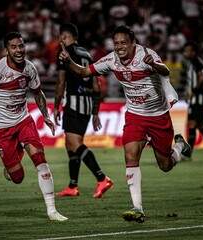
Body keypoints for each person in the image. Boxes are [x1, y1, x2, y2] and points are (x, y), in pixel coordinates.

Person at [59, 25, 191, 223]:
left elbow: (165, 71)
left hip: (158, 115)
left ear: (133, 43)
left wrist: (154, 65)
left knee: (165, 165)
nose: (119, 47)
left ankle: (180, 147)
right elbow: (85, 72)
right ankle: (137, 208)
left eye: (123, 43)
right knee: (130, 154)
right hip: (135, 116)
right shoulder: (111, 59)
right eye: (116, 43)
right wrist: (69, 62)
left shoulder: (146, 54)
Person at [0, 32, 67, 222]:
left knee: (40, 159)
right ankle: (13, 159)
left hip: (23, 120)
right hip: (2, 127)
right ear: (7, 49)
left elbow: (38, 93)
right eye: (14, 47)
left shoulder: (30, 68)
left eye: (21, 46)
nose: (19, 50)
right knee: (17, 177)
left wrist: (46, 116)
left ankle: (52, 210)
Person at [54, 23, 113, 198]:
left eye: (61, 37)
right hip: (87, 104)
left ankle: (102, 178)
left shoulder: (66, 54)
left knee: (74, 143)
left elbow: (61, 82)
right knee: (70, 144)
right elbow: (97, 85)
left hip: (74, 102)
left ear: (65, 37)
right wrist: (95, 112)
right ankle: (72, 186)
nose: (60, 40)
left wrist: (57, 106)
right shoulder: (87, 54)